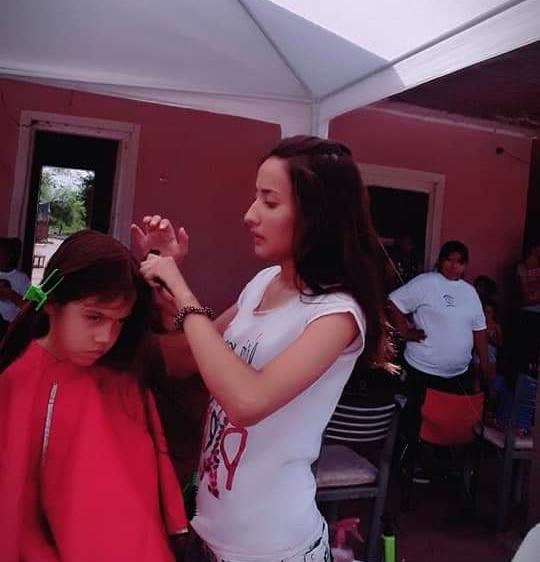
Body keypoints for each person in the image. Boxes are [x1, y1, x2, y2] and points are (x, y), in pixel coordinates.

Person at [132, 135, 391, 562]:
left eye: (269, 202)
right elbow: (190, 357)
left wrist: (183, 292)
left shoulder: (336, 315)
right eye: (256, 198)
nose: (250, 214)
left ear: (317, 215)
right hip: (211, 531)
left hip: (273, 546)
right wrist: (165, 291)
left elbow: (247, 401)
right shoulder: (262, 284)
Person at [0, 230, 187, 562]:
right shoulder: (20, 382)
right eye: (94, 316)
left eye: (119, 321)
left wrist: (174, 291)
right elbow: (15, 513)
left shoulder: (122, 375)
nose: (106, 337)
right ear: (53, 303)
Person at [387, 241, 490, 479]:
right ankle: (408, 467)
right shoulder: (426, 283)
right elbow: (393, 302)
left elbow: (480, 330)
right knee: (418, 420)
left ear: (465, 266)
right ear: (440, 260)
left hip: (457, 373)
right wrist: (405, 332)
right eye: (449, 260)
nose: (454, 266)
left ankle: (439, 469)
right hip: (422, 368)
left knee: (449, 422)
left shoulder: (469, 292)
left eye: (460, 262)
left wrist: (485, 365)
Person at [0, 237, 30, 339]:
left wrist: (11, 295)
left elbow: (30, 307)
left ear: (9, 256)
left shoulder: (22, 278)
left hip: (11, 329)